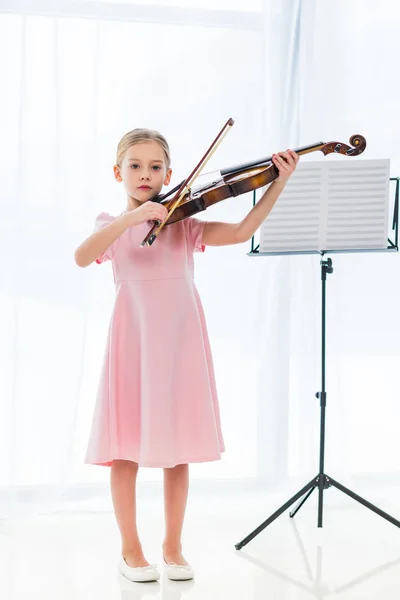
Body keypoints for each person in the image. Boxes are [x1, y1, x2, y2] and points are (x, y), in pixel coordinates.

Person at [74, 128, 299, 583]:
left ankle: (173, 547)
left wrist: (278, 182)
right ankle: (130, 549)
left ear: (170, 174)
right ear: (118, 172)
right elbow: (83, 257)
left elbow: (241, 231)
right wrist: (126, 222)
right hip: (132, 344)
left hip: (179, 342)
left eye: (156, 167)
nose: (145, 174)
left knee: (178, 453)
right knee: (125, 451)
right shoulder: (109, 225)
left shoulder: (185, 224)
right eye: (135, 166)